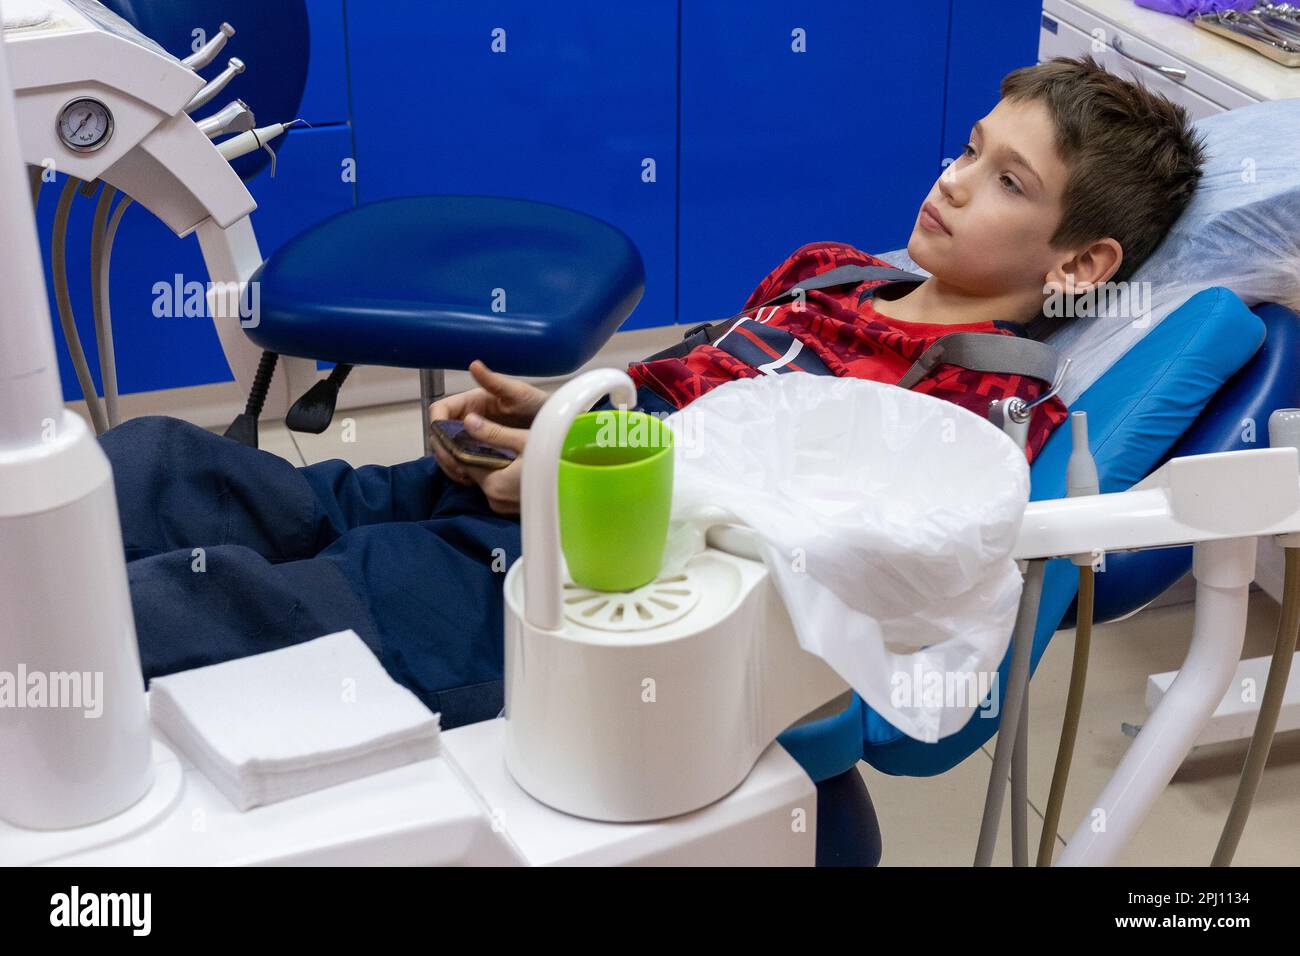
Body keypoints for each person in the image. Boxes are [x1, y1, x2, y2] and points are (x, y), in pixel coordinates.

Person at [107, 56, 1206, 728]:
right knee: (161, 466)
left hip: (615, 596)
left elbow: (843, 558)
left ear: (1081, 264)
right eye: (969, 149)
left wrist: (589, 485)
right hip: (534, 497)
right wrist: (557, 413)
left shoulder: (985, 416)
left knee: (239, 600)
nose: (954, 181)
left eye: (1007, 181)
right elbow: (693, 387)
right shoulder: (830, 270)